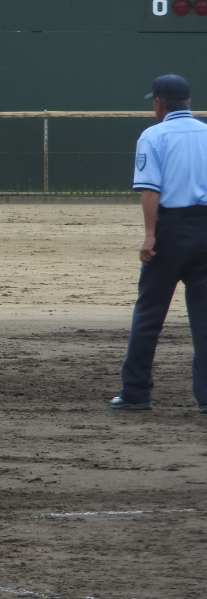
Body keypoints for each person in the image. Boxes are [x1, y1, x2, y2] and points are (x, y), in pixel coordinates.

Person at [114, 74, 207, 414]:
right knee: (205, 317)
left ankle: (135, 393)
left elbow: (150, 190)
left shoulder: (154, 135)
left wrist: (150, 234)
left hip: (171, 230)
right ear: (188, 101)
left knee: (150, 314)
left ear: (159, 103)